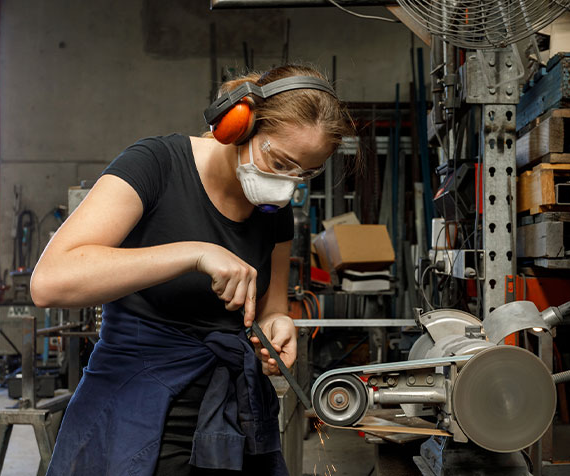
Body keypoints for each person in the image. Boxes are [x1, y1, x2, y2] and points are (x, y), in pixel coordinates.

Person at [30, 64, 356, 475]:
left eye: (304, 173)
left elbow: (272, 307)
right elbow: (49, 282)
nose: (288, 185)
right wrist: (193, 253)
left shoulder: (275, 212)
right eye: (280, 161)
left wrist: (277, 324)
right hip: (131, 405)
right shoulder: (155, 165)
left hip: (226, 421)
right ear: (240, 125)